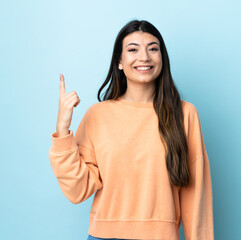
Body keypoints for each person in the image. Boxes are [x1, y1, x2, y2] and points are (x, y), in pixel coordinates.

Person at [48, 19, 214, 240]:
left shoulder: (184, 114)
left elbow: (196, 196)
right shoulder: (97, 115)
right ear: (119, 61)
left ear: (162, 59)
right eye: (133, 49)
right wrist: (62, 130)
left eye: (153, 49)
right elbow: (78, 190)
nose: (144, 57)